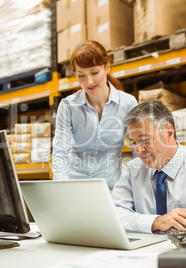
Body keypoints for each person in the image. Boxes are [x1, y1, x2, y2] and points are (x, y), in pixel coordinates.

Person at [112, 101, 186, 239]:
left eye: (145, 140)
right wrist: (156, 222)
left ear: (169, 132)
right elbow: (114, 217)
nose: (138, 150)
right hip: (145, 253)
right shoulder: (132, 170)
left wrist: (138, 223)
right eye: (134, 142)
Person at [52, 40, 138, 190]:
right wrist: (61, 190)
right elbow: (60, 152)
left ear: (107, 67)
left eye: (94, 72)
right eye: (81, 76)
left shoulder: (127, 103)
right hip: (75, 187)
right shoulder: (68, 106)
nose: (88, 82)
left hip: (111, 189)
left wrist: (140, 188)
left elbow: (138, 150)